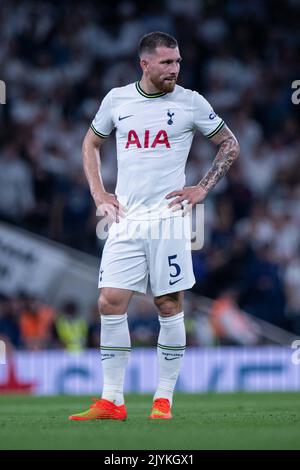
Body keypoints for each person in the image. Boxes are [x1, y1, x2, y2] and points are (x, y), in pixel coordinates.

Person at [69, 31, 239, 421]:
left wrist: (203, 187)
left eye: (177, 62)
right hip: (124, 218)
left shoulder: (191, 102)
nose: (174, 69)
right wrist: (99, 194)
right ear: (144, 63)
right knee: (109, 301)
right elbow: (90, 143)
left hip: (168, 220)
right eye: (166, 62)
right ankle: (112, 400)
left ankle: (163, 399)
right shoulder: (117, 100)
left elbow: (230, 144)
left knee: (168, 305)